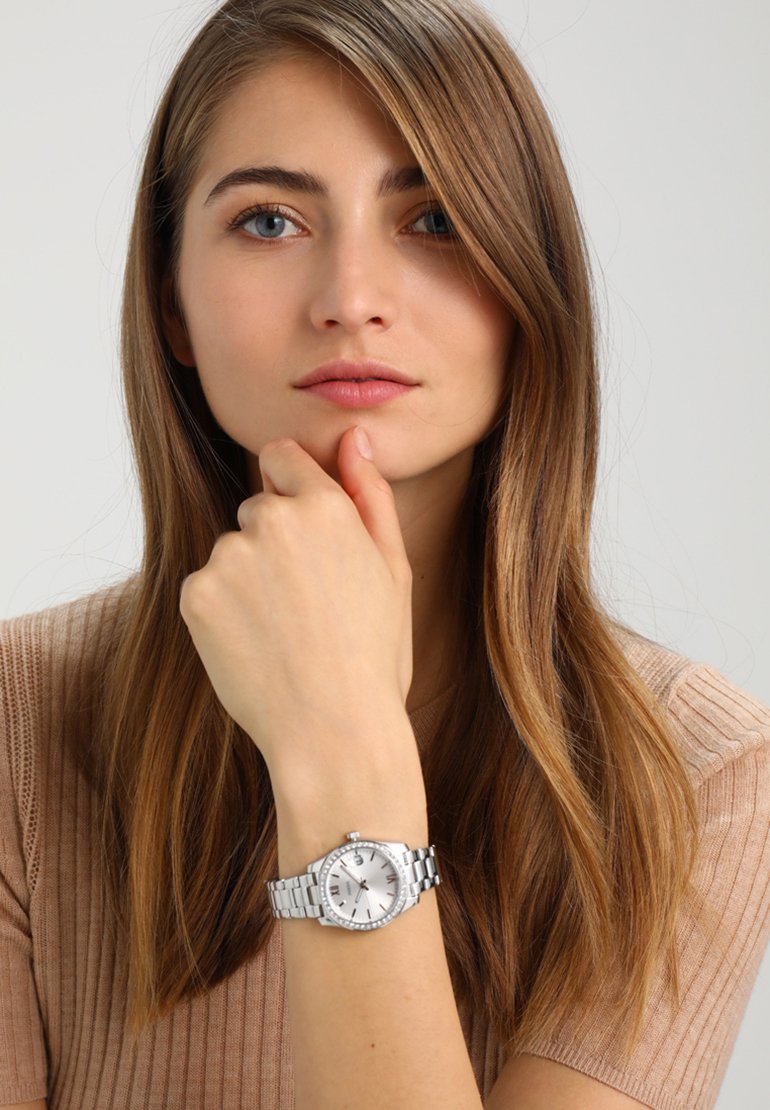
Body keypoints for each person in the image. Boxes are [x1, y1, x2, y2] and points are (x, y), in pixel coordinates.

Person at [1, 0, 768, 1107]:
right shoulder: (19, 730)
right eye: (269, 221)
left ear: (525, 287)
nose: (350, 302)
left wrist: (338, 745)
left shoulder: (690, 780)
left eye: (435, 219)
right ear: (170, 301)